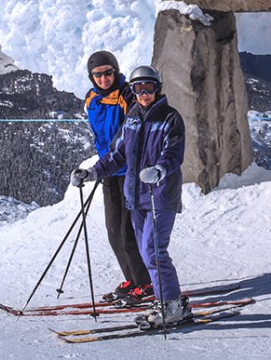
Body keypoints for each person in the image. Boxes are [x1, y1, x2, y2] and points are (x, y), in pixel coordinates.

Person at [71, 65, 190, 328]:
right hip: (135, 197)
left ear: (157, 88)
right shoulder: (133, 118)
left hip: (160, 195)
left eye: (148, 88)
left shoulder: (170, 118)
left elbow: (173, 154)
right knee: (147, 250)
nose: (144, 93)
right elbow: (117, 155)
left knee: (154, 251)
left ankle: (171, 305)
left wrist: (159, 170)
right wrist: (92, 173)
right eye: (138, 88)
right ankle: (166, 300)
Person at [81, 51, 152, 306]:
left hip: (129, 170)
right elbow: (100, 136)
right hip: (109, 170)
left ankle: (145, 284)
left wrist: (107, 164)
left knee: (127, 231)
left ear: (116, 71)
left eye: (108, 72)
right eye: (97, 74)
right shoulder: (92, 99)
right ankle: (132, 280)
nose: (103, 78)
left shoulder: (127, 96)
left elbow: (129, 136)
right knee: (113, 231)